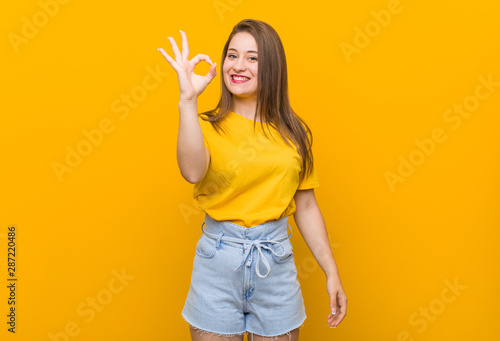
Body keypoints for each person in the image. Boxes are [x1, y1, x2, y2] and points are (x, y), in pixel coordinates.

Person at [158, 18, 347, 341]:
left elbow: (306, 205)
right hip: (217, 263)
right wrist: (187, 102)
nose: (238, 65)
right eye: (232, 55)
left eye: (252, 57)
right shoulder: (206, 126)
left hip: (275, 263)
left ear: (271, 66)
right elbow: (192, 171)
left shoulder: (294, 133)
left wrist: (331, 272)